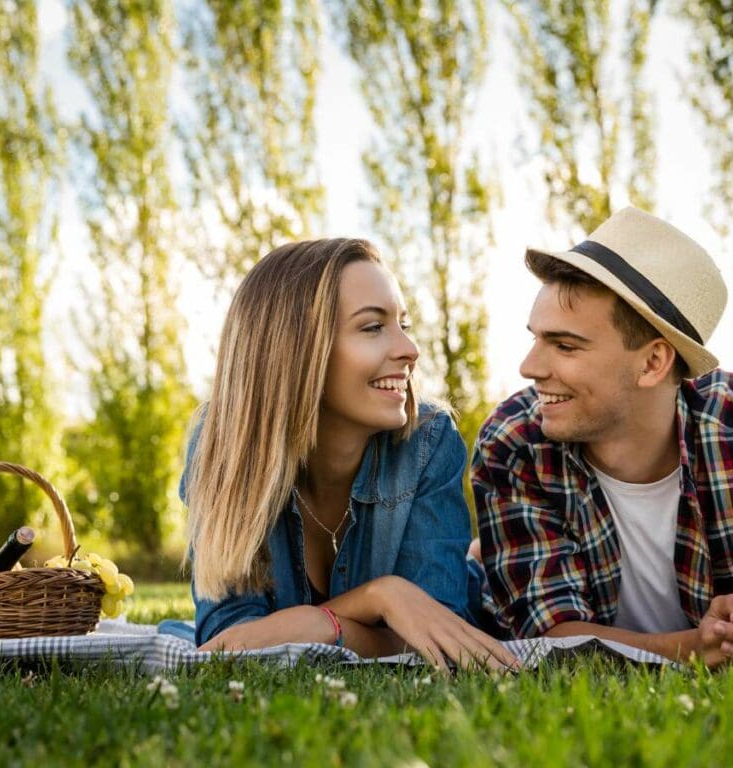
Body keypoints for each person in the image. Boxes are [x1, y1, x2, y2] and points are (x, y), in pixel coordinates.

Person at [472, 207, 733, 667]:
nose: (529, 367)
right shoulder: (515, 443)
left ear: (653, 363)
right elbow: (549, 637)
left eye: (565, 346)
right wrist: (698, 647)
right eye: (535, 339)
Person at [182, 238, 518, 673]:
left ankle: (476, 556)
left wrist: (306, 626)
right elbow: (227, 638)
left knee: (480, 570)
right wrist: (381, 598)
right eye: (373, 327)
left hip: (486, 598)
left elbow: (437, 632)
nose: (409, 350)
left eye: (404, 324)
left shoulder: (428, 440)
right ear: (297, 352)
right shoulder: (224, 446)